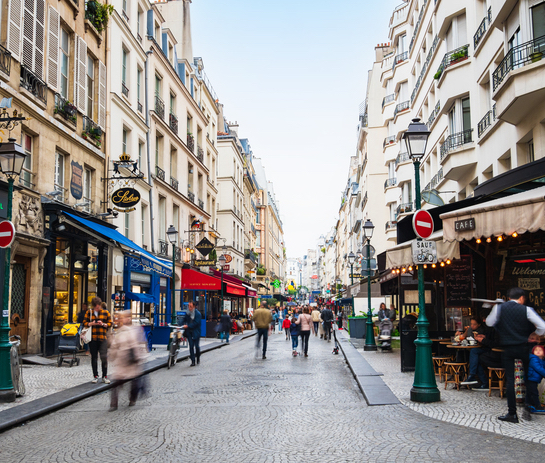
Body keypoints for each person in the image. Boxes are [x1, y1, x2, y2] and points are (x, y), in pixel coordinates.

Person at [486, 287, 545, 423]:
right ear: (522, 298)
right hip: (523, 347)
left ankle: (512, 414)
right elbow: (543, 326)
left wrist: (495, 307)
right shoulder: (526, 310)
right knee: (529, 376)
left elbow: (489, 323)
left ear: (508, 297)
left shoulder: (500, 308)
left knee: (510, 380)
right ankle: (530, 405)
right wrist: (535, 335)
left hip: (507, 348)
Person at [108, 310, 145, 411]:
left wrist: (138, 358)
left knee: (132, 381)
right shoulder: (120, 332)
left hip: (129, 360)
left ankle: (131, 399)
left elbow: (134, 345)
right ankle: (114, 403)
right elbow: (115, 346)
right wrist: (112, 355)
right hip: (123, 361)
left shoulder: (129, 331)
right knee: (118, 382)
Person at [460, 317, 497, 389]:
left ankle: (472, 376)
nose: (472, 326)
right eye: (471, 324)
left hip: (492, 351)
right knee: (475, 359)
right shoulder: (471, 329)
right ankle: (482, 382)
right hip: (481, 350)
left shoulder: (490, 328)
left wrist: (483, 340)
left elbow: (494, 342)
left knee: (474, 353)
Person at [83, 297, 112, 384]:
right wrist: (91, 323)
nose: (97, 308)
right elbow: (84, 322)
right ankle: (95, 376)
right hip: (93, 339)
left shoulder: (106, 312)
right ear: (93, 306)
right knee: (94, 357)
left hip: (103, 338)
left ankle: (105, 376)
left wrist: (103, 324)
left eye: (98, 306)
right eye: (96, 307)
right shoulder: (89, 312)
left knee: (104, 357)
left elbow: (110, 324)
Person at [182, 301, 202, 366]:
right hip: (189, 333)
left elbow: (196, 323)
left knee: (196, 346)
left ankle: (198, 357)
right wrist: (179, 323)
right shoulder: (188, 313)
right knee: (191, 347)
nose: (189, 307)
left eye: (190, 306)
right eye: (188, 306)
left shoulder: (198, 314)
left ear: (194, 306)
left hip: (196, 332)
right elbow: (184, 319)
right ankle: (193, 361)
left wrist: (188, 326)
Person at [526, 345, 545, 414]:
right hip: (531, 378)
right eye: (536, 350)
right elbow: (539, 369)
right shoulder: (534, 359)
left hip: (533, 378)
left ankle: (528, 404)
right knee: (534, 392)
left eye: (540, 350)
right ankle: (537, 405)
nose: (538, 351)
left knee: (530, 391)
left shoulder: (542, 360)